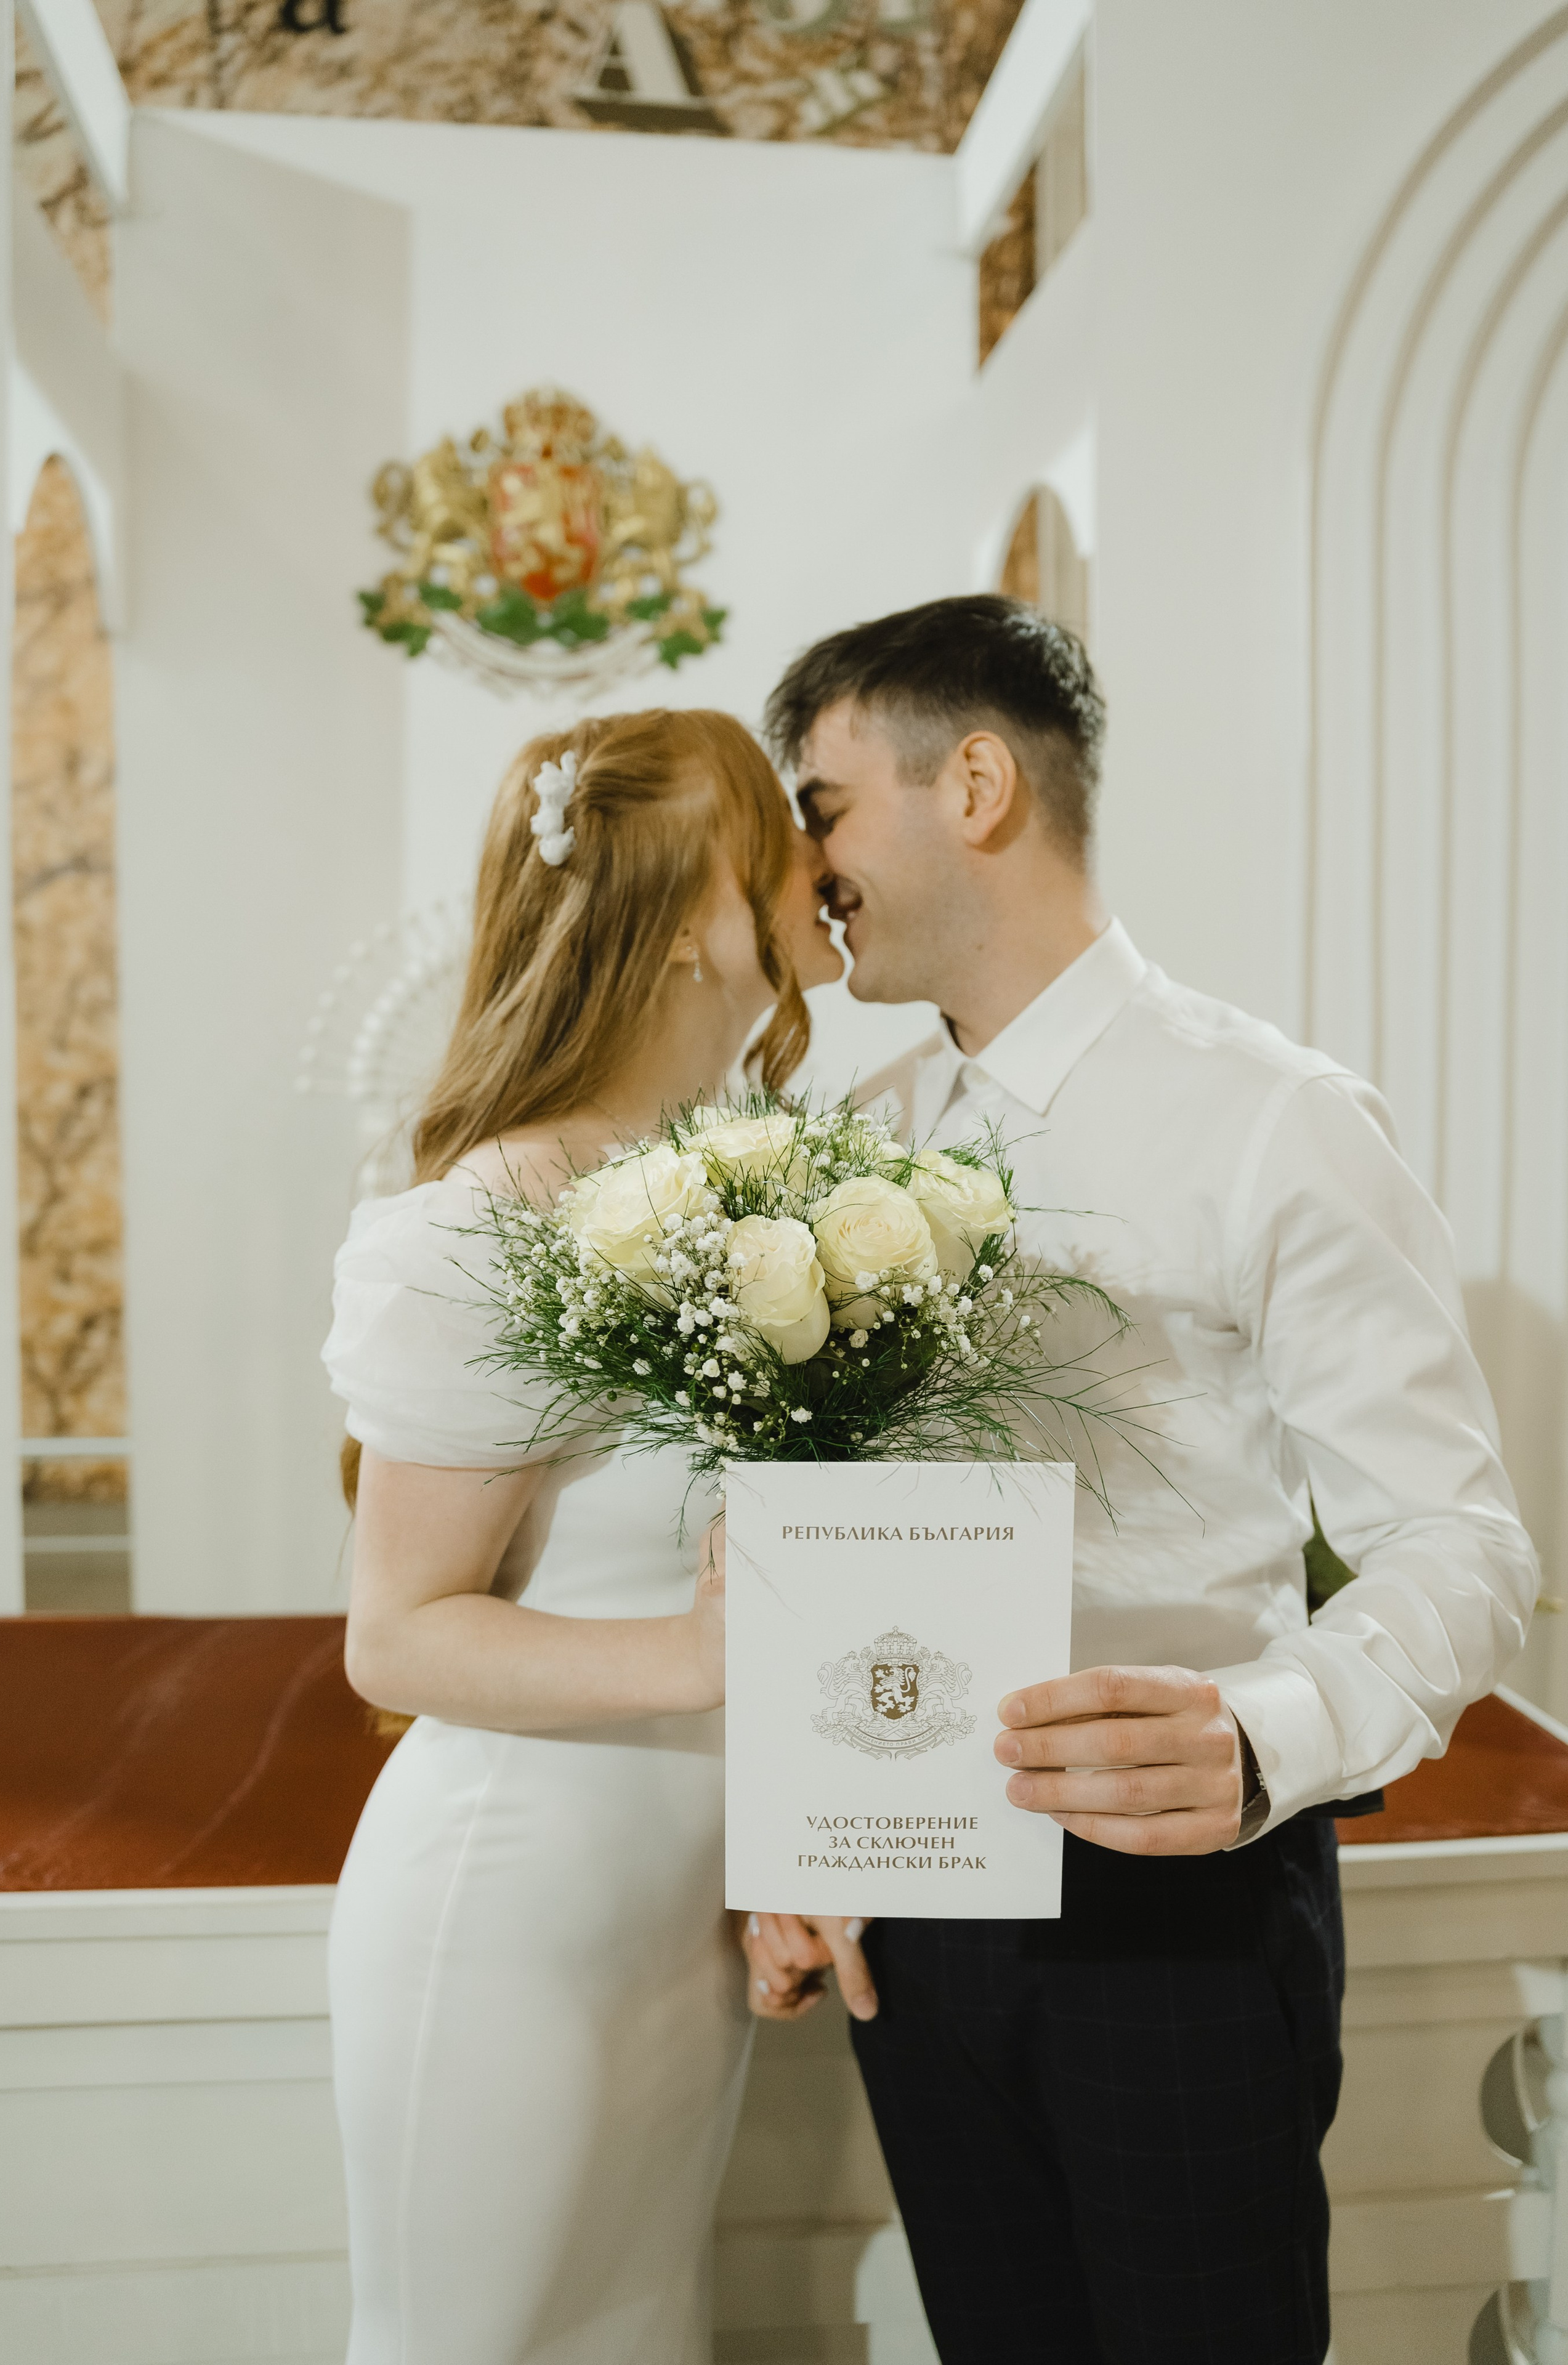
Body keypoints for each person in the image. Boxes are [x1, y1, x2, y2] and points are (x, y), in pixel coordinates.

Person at [742, 596, 1539, 2364]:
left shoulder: (1277, 1117)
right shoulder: (870, 1131)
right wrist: (803, 1832)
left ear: (975, 782)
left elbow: (1462, 1548)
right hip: (917, 1895)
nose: (807, 868)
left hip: (1171, 1904)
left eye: (823, 804)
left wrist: (1262, 1734)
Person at [320, 708, 843, 2365]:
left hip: (674, 1928)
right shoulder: (486, 1222)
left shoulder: (739, 1188)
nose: (813, 869)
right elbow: (394, 1635)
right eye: (776, 839)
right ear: (697, 909)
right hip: (514, 1908)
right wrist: (698, 1655)